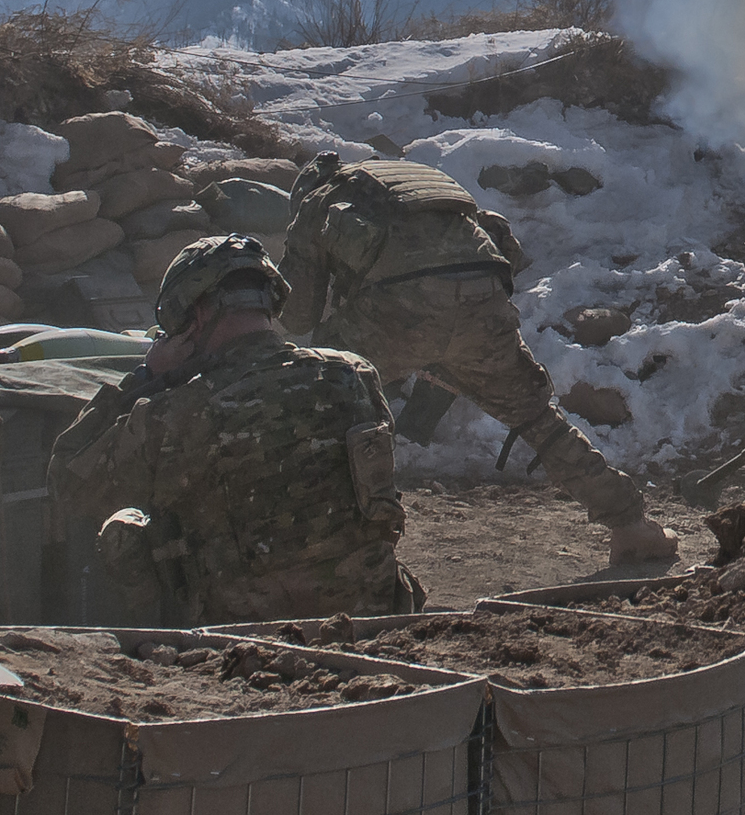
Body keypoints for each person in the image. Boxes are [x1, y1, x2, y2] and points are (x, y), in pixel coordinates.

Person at [281, 154, 679, 563]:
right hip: (482, 304)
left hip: (397, 312)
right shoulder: (418, 180)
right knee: (538, 419)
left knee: (319, 403)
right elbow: (506, 245)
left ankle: (309, 538)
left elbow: (296, 316)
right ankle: (631, 525)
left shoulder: (320, 201)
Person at [49, 235, 417, 625]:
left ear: (197, 317)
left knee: (124, 536)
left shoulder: (179, 413)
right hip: (372, 618)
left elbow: (68, 482)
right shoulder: (354, 374)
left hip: (244, 638)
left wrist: (144, 378)